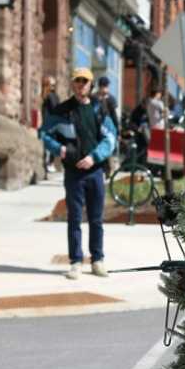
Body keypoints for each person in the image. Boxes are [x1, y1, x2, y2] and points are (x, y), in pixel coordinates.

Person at [40, 68, 117, 280]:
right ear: (72, 84)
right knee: (74, 219)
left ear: (91, 85)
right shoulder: (62, 110)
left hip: (95, 171)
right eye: (77, 81)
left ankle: (97, 260)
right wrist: (60, 149)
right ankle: (75, 262)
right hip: (73, 173)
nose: (81, 84)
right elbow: (44, 133)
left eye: (85, 81)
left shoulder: (98, 108)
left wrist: (95, 156)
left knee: (96, 219)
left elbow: (111, 137)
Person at [40, 76, 61, 175]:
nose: (53, 86)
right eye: (51, 84)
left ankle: (48, 164)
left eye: (54, 85)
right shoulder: (51, 96)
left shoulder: (46, 95)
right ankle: (49, 164)